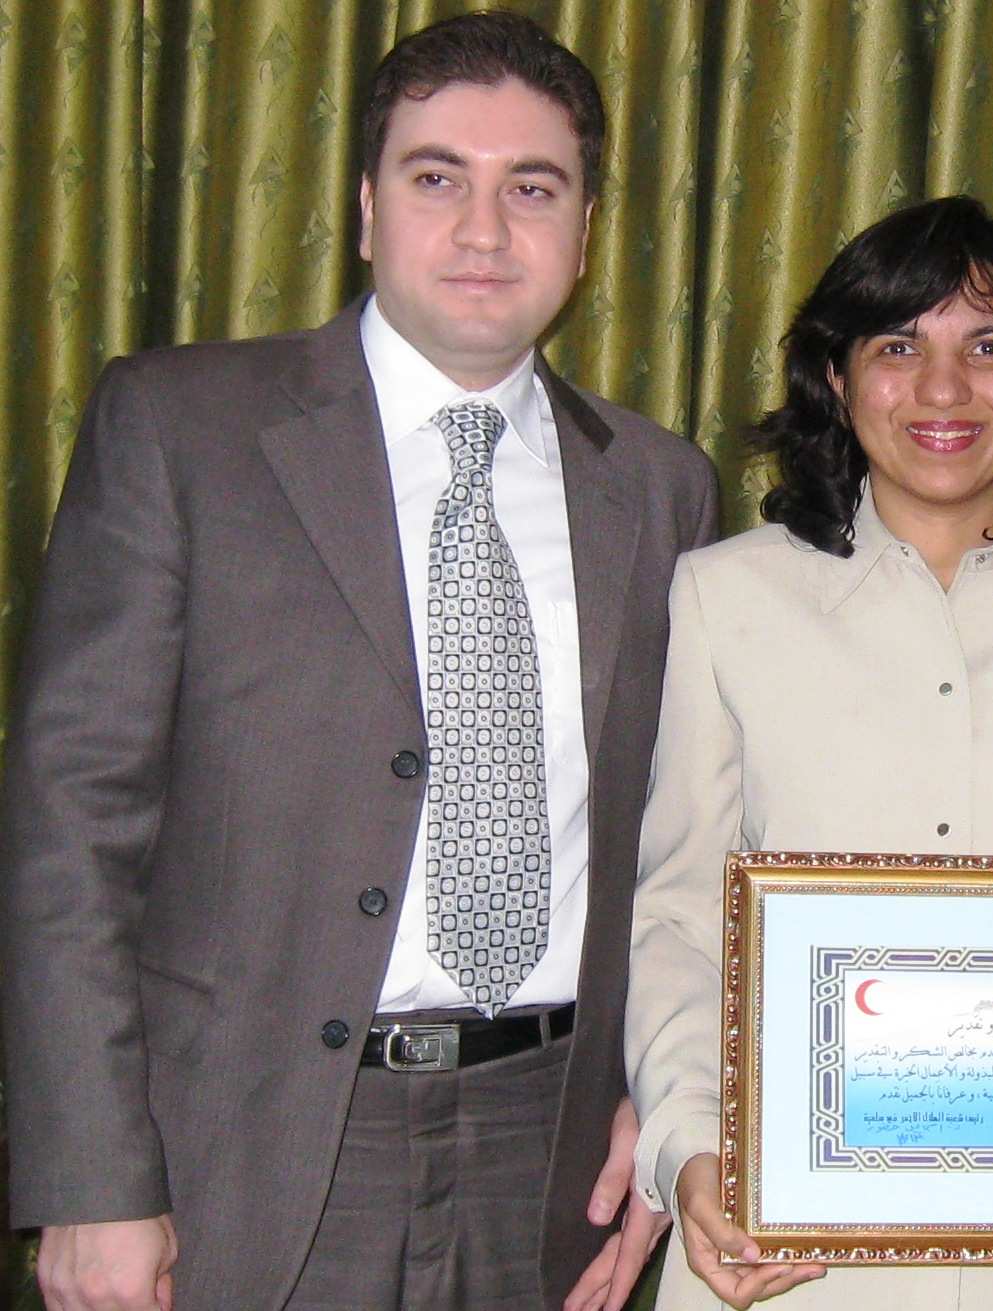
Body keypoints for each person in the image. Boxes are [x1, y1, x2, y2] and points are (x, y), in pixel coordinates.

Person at [0, 12, 715, 1310]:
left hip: (543, 1156)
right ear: (367, 209)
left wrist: (669, 1101)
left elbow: (682, 845)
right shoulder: (180, 427)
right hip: (243, 1148)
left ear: (588, 228)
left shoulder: (661, 487)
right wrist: (92, 1175)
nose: (486, 230)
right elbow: (70, 825)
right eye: (438, 177)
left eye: (532, 188)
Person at [622, 195, 993, 1311]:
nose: (944, 391)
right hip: (784, 1254)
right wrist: (692, 1150)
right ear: (837, 379)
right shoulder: (725, 599)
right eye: (899, 347)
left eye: (987, 348)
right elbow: (680, 923)